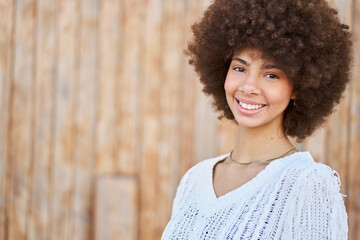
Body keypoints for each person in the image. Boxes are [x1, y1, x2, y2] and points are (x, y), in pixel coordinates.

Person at [161, 0, 352, 239]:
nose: (249, 86)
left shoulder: (308, 184)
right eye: (240, 68)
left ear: (298, 87)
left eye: (271, 75)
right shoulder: (194, 179)